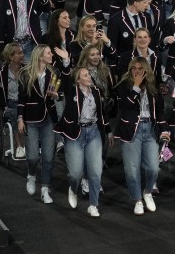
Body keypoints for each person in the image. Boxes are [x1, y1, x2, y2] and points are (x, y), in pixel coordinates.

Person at [115, 57, 170, 216]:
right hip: (131, 130)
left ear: (146, 70)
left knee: (153, 167)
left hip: (151, 130)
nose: (137, 71)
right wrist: (136, 87)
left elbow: (160, 111)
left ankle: (147, 191)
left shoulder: (153, 88)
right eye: (134, 68)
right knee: (132, 170)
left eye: (140, 68)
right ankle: (137, 200)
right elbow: (125, 106)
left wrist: (165, 130)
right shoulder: (124, 86)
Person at [54, 65, 111, 218]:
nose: (89, 77)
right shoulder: (72, 91)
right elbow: (65, 81)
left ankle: (93, 205)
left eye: (89, 75)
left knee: (95, 171)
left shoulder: (97, 92)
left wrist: (109, 130)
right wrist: (65, 63)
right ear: (78, 80)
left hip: (93, 132)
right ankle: (73, 188)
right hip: (75, 134)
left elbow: (102, 113)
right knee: (75, 173)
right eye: (85, 75)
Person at [18, 45, 60, 204]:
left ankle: (45, 188)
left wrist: (55, 95)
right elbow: (21, 99)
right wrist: (20, 118)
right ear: (41, 57)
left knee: (49, 157)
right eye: (49, 53)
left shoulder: (53, 73)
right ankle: (31, 175)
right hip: (31, 119)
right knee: (34, 156)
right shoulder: (25, 73)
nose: (51, 55)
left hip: (48, 118)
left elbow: (57, 93)